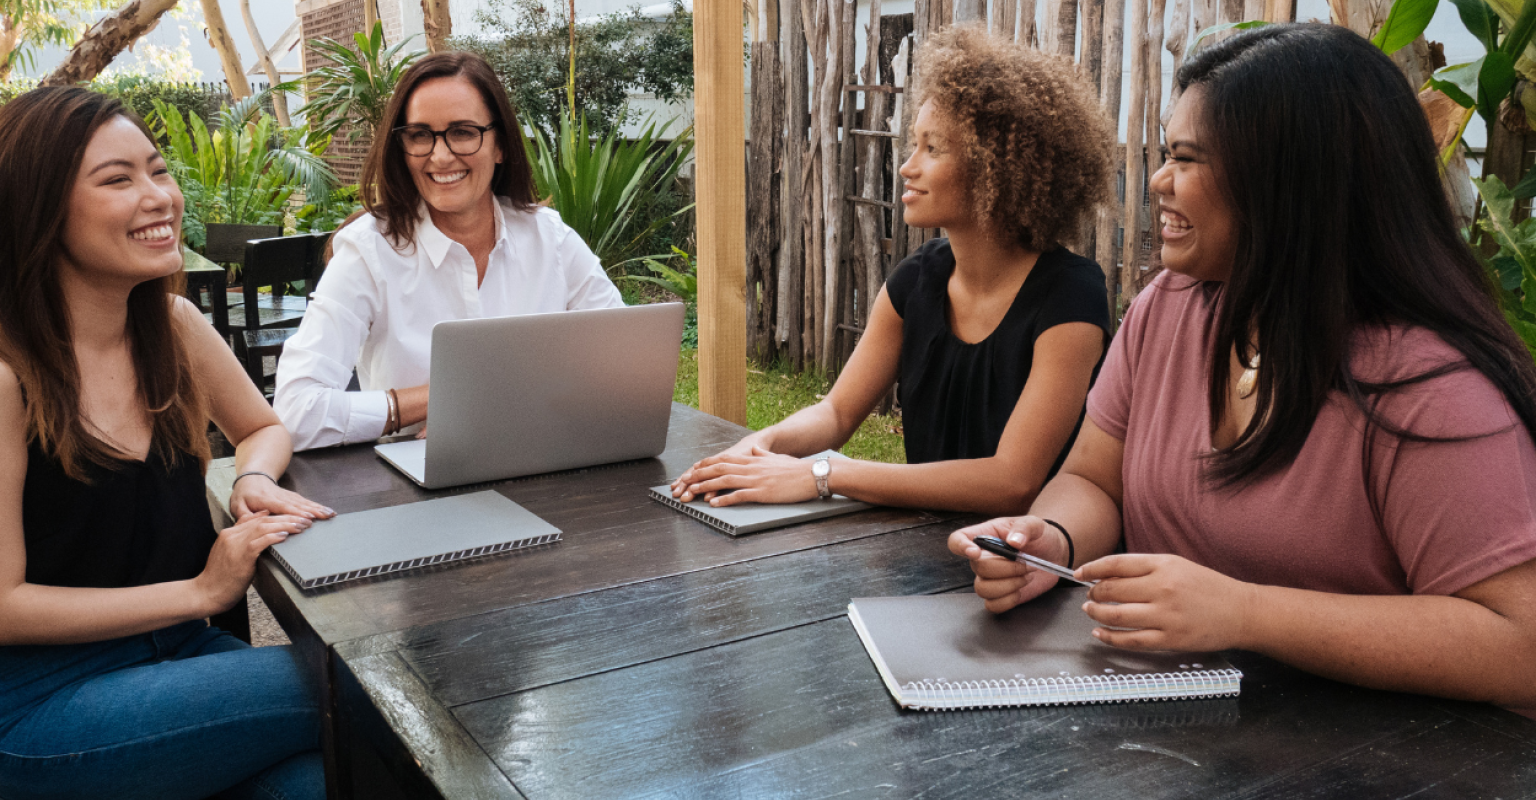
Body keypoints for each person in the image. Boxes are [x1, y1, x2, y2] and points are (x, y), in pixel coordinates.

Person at [949, 23, 1536, 711]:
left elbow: (1520, 646)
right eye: (1168, 153)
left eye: (1188, 159)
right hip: (1167, 743)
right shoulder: (1167, 310)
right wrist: (1051, 540)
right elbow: (1092, 479)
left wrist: (1245, 614)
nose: (1160, 180)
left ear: (1289, 182)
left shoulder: (1431, 388)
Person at [0, 88, 334, 799]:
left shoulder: (172, 324)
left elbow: (263, 426)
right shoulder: (7, 377)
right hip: (38, 700)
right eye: (117, 180)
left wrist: (253, 481)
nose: (158, 197)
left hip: (181, 661)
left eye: (158, 170)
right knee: (361, 682)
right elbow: (4, 604)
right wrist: (200, 590)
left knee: (324, 782)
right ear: (37, 208)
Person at [671, 26, 1114, 516]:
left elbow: (1012, 481)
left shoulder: (1070, 296)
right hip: (920, 549)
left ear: (998, 169)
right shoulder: (917, 280)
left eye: (933, 148)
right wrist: (758, 448)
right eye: (914, 144)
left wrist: (823, 475)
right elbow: (836, 413)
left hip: (1030, 565)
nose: (907, 166)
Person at [275, 52, 624, 450]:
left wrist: (506, 403)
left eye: (462, 132)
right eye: (420, 135)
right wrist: (439, 399)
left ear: (500, 145)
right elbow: (294, 411)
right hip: (416, 489)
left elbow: (624, 367)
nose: (440, 156)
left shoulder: (551, 240)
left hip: (542, 465)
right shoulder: (368, 251)